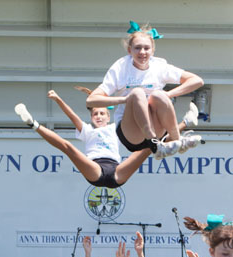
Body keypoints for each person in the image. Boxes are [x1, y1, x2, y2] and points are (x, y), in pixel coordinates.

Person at [14, 90, 201, 187]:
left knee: (149, 148)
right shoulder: (87, 130)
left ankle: (186, 122)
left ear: (109, 116)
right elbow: (73, 117)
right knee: (68, 147)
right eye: (95, 114)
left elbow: (137, 121)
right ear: (91, 117)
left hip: (117, 170)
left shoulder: (114, 129)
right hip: (95, 169)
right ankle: (33, 123)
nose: (99, 116)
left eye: (102, 113)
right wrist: (58, 100)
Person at [87, 21, 205, 159]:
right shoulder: (121, 67)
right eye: (137, 48)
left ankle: (177, 140)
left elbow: (197, 81)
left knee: (159, 95)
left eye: (146, 48)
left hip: (156, 127)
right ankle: (156, 145)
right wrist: (126, 99)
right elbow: (91, 100)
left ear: (152, 51)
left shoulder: (159, 65)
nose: (142, 52)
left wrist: (169, 94)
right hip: (130, 133)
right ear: (129, 50)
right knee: (137, 93)